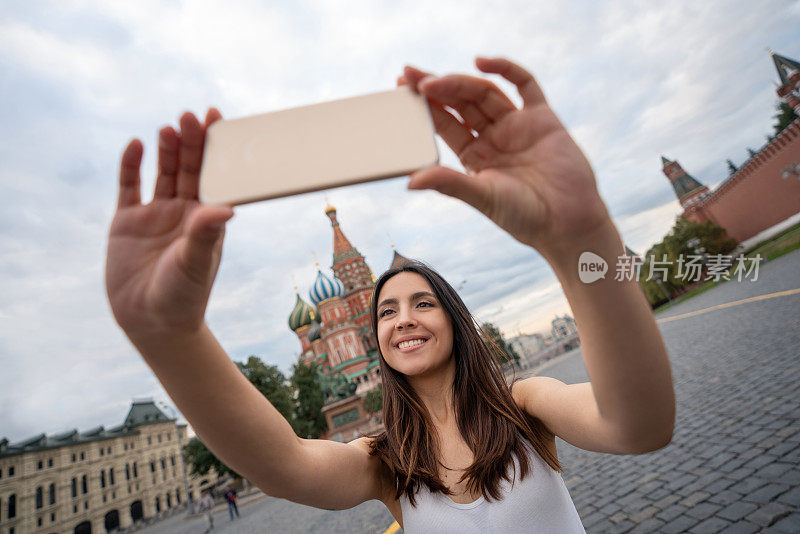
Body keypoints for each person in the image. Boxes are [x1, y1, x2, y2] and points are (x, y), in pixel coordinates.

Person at [106, 57, 675, 533]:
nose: (403, 318)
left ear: (455, 321)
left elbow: (638, 426)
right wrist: (170, 338)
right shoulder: (386, 462)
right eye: (385, 310)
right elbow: (284, 465)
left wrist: (580, 238)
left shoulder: (522, 405)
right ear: (373, 335)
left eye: (423, 302)